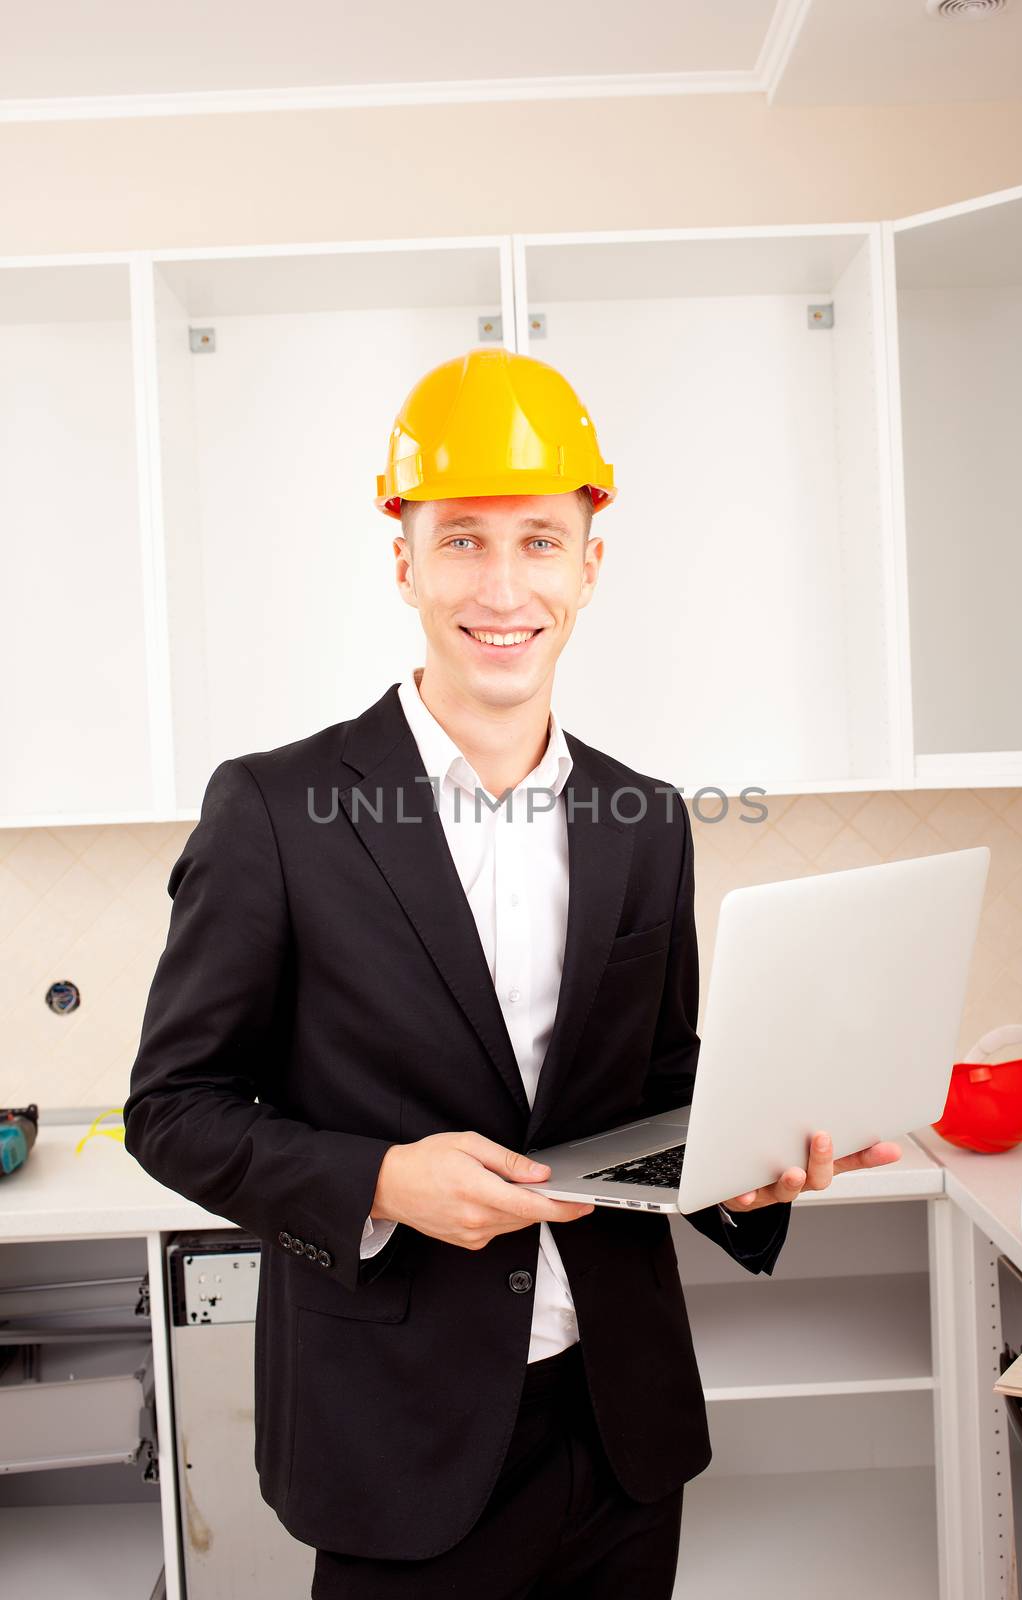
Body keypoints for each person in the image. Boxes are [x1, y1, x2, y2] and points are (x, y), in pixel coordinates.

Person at [123, 347, 902, 1599]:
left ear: (590, 565)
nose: (502, 585)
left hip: (621, 1425)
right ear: (403, 560)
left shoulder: (643, 815)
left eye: (539, 541)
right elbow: (171, 1109)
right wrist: (379, 1178)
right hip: (398, 1436)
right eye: (462, 540)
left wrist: (745, 1170)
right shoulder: (274, 807)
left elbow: (655, 1085)